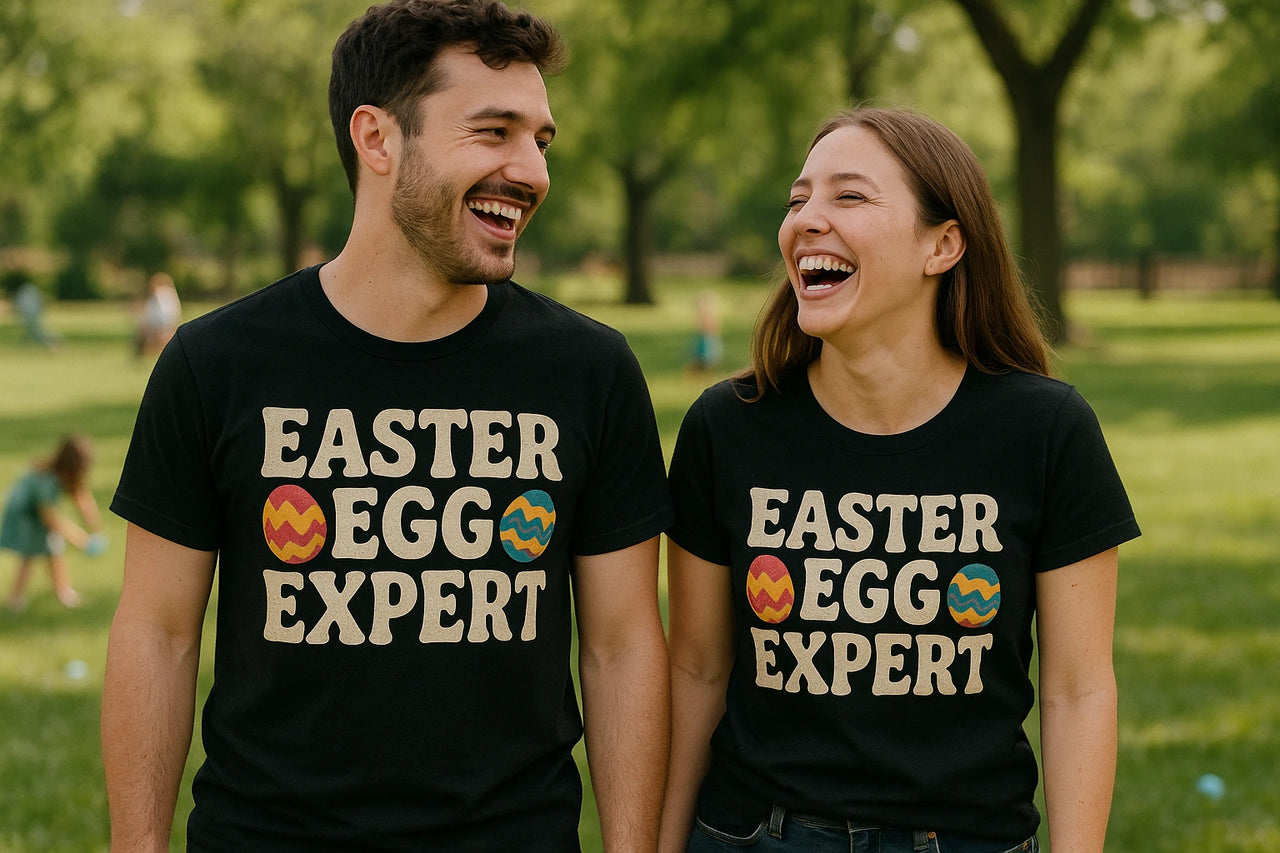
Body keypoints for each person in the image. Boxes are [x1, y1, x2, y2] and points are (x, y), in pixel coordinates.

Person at [101, 2, 672, 851]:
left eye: (540, 140)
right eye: (494, 131)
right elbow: (158, 631)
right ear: (377, 139)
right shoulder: (216, 364)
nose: (531, 170)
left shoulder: (589, 372)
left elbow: (623, 645)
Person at [660, 107, 1140, 853]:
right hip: (757, 834)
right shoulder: (726, 427)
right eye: (797, 200)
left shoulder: (1045, 432)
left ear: (943, 244)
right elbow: (696, 669)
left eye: (848, 197)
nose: (807, 220)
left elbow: (1078, 690)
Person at [2, 434, 106, 610]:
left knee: (53, 551)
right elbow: (50, 518)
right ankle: (16, 599)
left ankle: (62, 591)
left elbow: (82, 500)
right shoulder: (47, 481)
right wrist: (82, 540)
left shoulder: (65, 476)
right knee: (30, 554)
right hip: (24, 514)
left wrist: (96, 530)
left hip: (35, 512)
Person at [133, 271, 182, 357]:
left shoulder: (162, 295)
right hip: (159, 325)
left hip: (162, 327)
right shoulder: (161, 297)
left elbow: (164, 315)